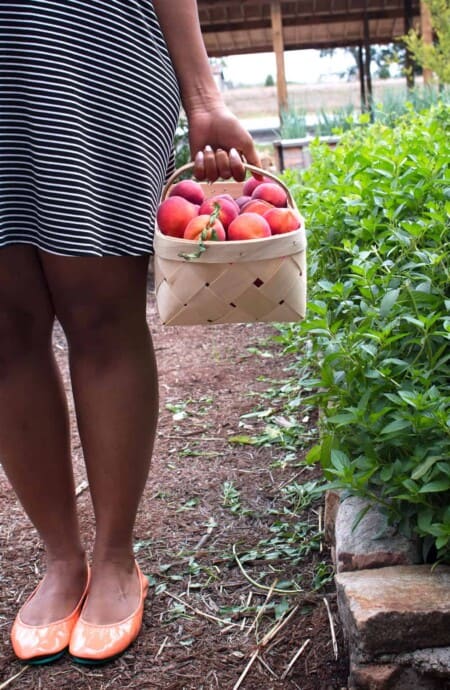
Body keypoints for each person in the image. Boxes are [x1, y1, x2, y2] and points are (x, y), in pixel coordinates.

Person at [0, 0, 260, 666]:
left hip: (90, 40)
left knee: (100, 312)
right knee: (5, 326)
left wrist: (202, 93)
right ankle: (62, 558)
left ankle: (115, 556)